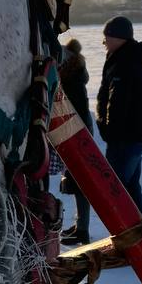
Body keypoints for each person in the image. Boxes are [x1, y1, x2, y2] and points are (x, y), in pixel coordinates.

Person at [95, 16, 142, 216]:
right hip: (131, 136)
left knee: (116, 189)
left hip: (127, 137)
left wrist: (108, 130)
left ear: (119, 38)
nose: (105, 43)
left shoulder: (127, 62)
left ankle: (130, 234)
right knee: (130, 185)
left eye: (107, 38)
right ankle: (140, 229)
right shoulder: (119, 58)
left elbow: (118, 103)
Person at [58, 38, 92, 244]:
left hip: (76, 135)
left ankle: (82, 230)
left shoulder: (70, 82)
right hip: (78, 132)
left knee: (80, 182)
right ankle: (80, 225)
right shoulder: (76, 77)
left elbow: (72, 111)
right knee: (77, 181)